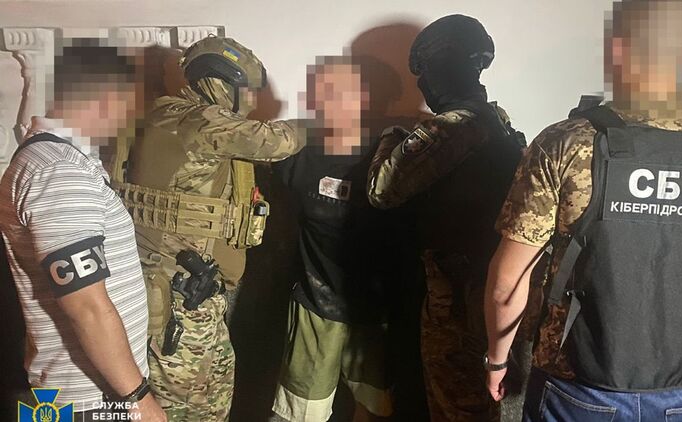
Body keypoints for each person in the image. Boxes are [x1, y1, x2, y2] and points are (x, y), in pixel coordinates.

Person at [484, 1, 682, 421]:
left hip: (576, 386)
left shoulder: (567, 143)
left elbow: (507, 282)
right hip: (679, 391)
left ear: (616, 48)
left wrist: (497, 360)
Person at [118, 36, 305, 421]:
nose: (251, 101)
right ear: (221, 83)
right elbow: (278, 141)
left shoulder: (164, 115)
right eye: (247, 91)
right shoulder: (196, 121)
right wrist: (323, 121)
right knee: (181, 404)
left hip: (192, 288)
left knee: (213, 390)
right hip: (180, 296)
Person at [368, 14, 525, 421]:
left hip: (455, 297)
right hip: (488, 289)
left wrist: (391, 136)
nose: (423, 85)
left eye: (426, 74)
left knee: (455, 403)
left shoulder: (453, 127)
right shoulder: (497, 121)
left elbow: (381, 191)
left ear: (441, 68)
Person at [0, 41, 165, 422]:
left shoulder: (57, 160)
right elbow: (86, 306)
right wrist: (138, 399)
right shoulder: (59, 171)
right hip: (90, 400)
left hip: (92, 391)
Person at [270, 57, 397, 422]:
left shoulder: (390, 158)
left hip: (373, 308)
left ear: (363, 97)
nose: (329, 102)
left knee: (373, 409)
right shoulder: (296, 155)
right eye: (321, 92)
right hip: (315, 304)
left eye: (341, 91)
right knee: (299, 414)